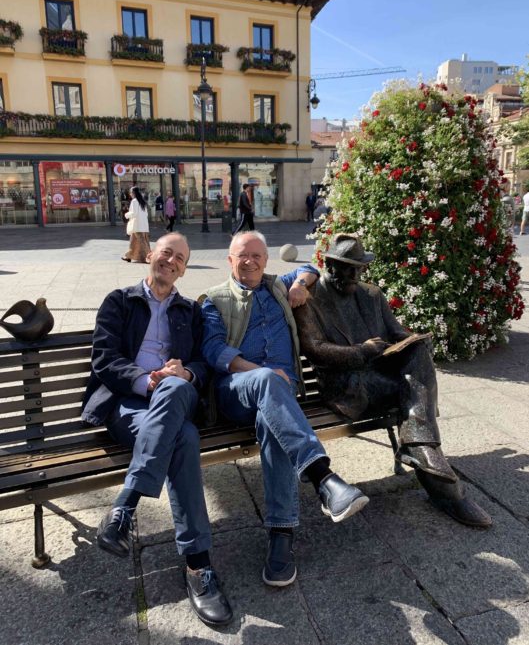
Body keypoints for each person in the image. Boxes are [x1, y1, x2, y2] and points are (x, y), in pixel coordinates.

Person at [201, 231, 370, 588]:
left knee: (272, 421)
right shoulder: (214, 300)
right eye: (242, 256)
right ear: (230, 260)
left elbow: (310, 265)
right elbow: (214, 351)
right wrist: (260, 373)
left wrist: (302, 284)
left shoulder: (279, 285)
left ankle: (281, 536)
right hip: (237, 391)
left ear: (267, 260)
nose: (250, 262)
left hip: (279, 397)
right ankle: (323, 479)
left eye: (258, 256)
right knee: (269, 385)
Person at [82, 233, 233, 626]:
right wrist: (147, 380)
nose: (171, 261)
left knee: (173, 387)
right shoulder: (120, 300)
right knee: (183, 437)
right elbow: (105, 359)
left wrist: (184, 372)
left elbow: (202, 363)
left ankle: (124, 508)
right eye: (166, 252)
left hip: (175, 394)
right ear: (151, 255)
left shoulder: (190, 311)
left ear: (184, 268)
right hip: (128, 404)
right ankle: (199, 569)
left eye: (180, 258)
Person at [293, 232, 492, 529]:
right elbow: (315, 350)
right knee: (411, 391)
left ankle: (421, 450)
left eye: (359, 267)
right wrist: (362, 352)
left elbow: (396, 332)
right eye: (348, 267)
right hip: (347, 385)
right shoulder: (310, 299)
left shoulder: (371, 294)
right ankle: (442, 483)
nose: (354, 274)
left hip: (382, 374)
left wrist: (414, 340)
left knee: (418, 357)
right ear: (329, 265)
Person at [122, 186, 150, 263]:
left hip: (137, 225)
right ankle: (129, 256)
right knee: (133, 241)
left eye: (131, 192)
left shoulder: (134, 201)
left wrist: (126, 215)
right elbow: (146, 214)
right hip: (143, 225)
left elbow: (134, 213)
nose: (130, 194)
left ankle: (150, 257)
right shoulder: (142, 201)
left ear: (133, 193)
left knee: (142, 242)